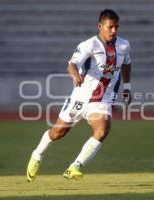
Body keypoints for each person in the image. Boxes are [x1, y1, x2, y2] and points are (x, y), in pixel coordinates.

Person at [26, 9, 132, 181]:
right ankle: (37, 155)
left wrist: (126, 87)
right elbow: (72, 63)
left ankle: (75, 167)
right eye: (110, 27)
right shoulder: (88, 45)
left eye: (116, 27)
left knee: (103, 129)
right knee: (58, 133)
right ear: (100, 26)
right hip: (81, 97)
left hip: (103, 99)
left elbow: (127, 63)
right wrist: (75, 74)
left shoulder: (124, 45)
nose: (114, 31)